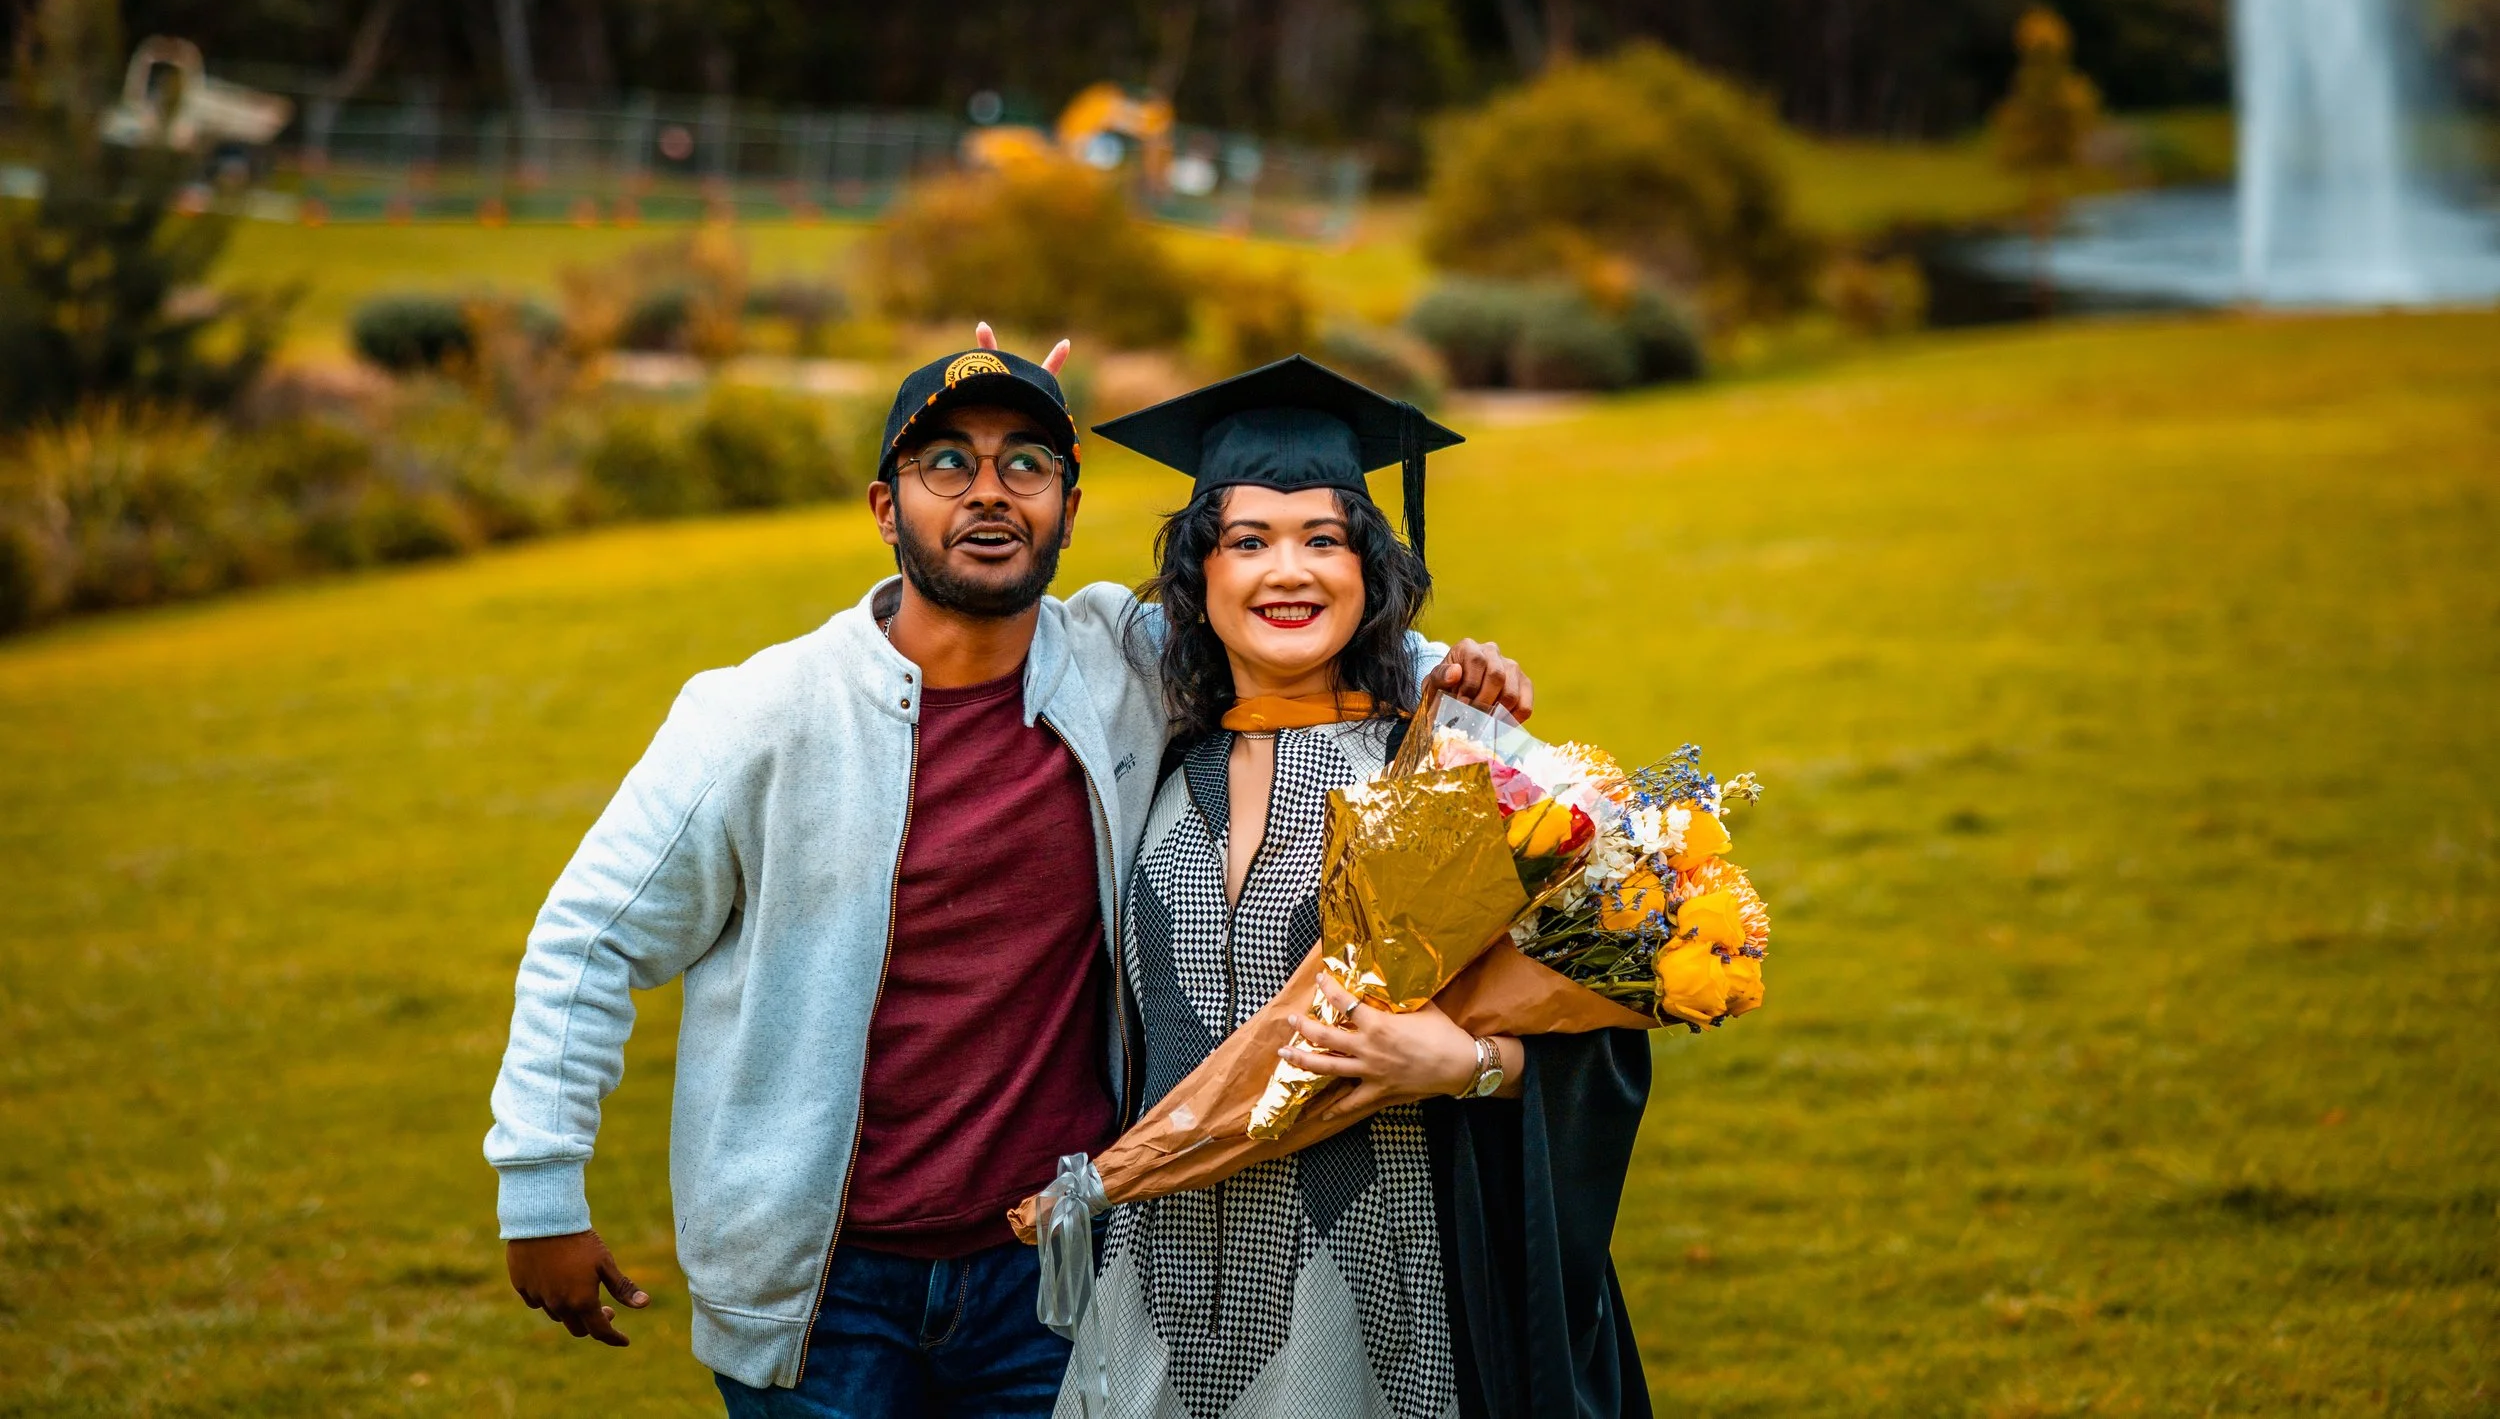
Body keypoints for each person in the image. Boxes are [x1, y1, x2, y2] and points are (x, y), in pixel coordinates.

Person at [485, 332, 1535, 1416]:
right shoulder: (760, 716)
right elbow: (591, 938)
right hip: (825, 1283)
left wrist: (1444, 665)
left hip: (1052, 1264)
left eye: (1024, 463)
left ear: (1069, 512)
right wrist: (540, 1193)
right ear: (884, 508)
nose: (988, 493)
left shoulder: (1119, 664)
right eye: (947, 463)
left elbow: (1282, 613)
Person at [1062, 357, 1654, 1419]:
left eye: (1322, 539)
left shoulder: (1457, 764)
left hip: (1387, 1303)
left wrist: (1471, 1063)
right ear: (1198, 578)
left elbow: (1609, 1022)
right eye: (1247, 541)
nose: (1286, 571)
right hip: (1156, 1297)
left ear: (1370, 571)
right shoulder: (1148, 758)